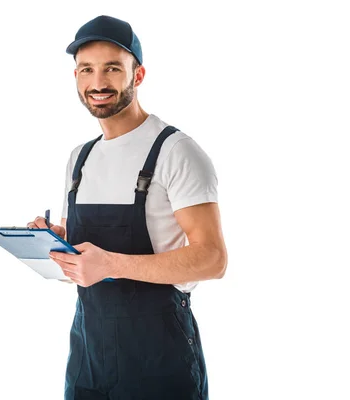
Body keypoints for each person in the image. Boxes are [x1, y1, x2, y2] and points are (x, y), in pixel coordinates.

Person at [27, 15, 227, 400]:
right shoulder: (79, 158)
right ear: (76, 77)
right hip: (88, 354)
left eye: (112, 68)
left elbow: (213, 259)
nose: (98, 82)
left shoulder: (175, 151)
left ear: (138, 75)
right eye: (87, 69)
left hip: (158, 355)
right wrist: (57, 243)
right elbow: (86, 258)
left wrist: (113, 264)